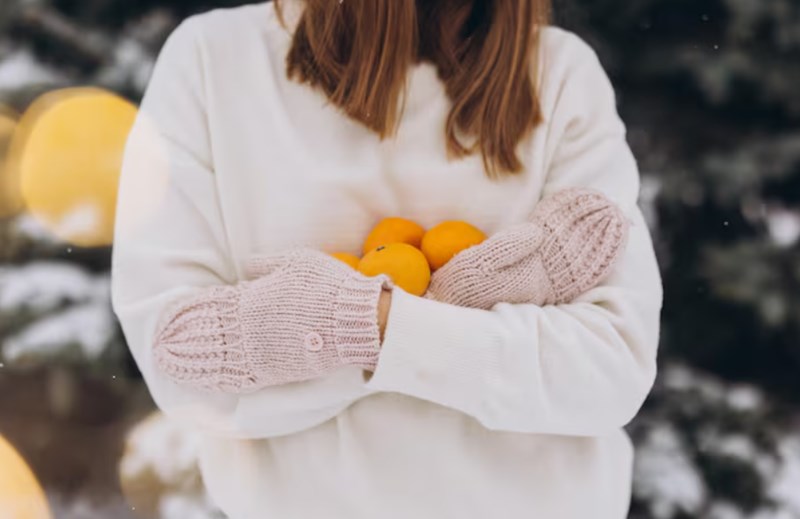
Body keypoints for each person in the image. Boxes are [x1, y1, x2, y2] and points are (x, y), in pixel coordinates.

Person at [110, 0, 663, 517]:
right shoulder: (213, 62)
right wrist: (439, 316)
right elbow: (181, 359)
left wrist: (372, 322)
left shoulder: (559, 74)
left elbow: (610, 369)